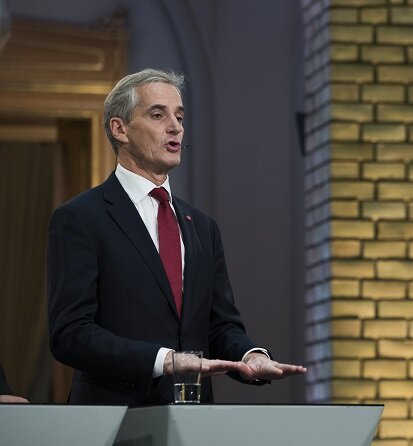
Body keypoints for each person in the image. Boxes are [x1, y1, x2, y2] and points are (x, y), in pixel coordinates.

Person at [47, 68, 306, 406]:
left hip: (193, 422)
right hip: (115, 418)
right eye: (158, 114)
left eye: (180, 116)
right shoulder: (81, 218)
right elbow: (71, 334)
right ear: (119, 128)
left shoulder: (201, 226)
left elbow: (219, 325)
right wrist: (164, 360)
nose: (176, 127)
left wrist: (250, 355)